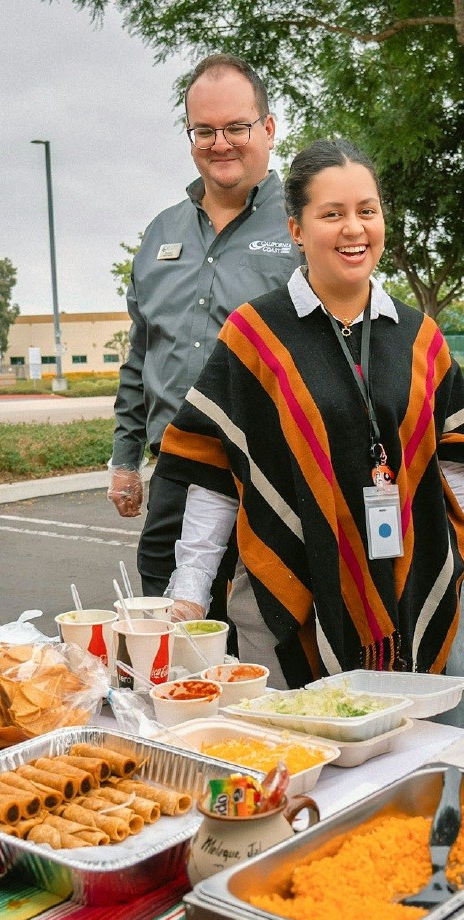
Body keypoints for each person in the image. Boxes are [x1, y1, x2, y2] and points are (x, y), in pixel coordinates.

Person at [153, 139, 464, 687]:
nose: (354, 229)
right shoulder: (255, 336)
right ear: (296, 229)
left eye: (367, 211)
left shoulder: (420, 339)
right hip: (285, 602)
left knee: (398, 758)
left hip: (406, 596)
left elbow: (455, 467)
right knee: (291, 759)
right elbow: (214, 476)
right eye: (332, 214)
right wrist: (189, 592)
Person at [109, 53, 299, 622]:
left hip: (272, 474)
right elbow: (142, 353)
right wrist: (125, 458)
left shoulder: (305, 224)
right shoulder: (161, 232)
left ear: (267, 128)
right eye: (204, 131)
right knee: (164, 635)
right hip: (177, 465)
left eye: (236, 127)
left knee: (262, 640)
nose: (221, 143)